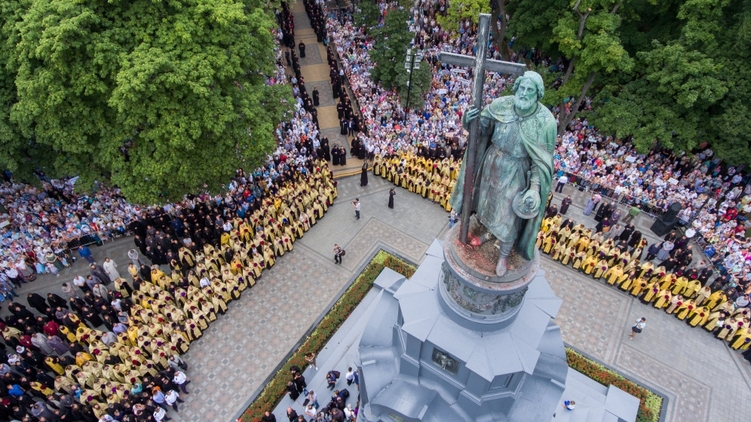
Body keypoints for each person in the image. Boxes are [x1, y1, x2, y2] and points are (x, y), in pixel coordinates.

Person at [450, 71, 555, 276]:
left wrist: (534, 189)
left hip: (516, 170)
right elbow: (482, 128)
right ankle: (488, 233)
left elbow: (540, 162)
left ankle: (504, 256)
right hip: (492, 162)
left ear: (537, 94)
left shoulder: (545, 122)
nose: (524, 94)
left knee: (508, 216)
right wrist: (468, 121)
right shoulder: (501, 105)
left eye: (530, 90)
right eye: (521, 88)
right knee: (487, 206)